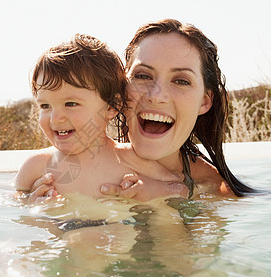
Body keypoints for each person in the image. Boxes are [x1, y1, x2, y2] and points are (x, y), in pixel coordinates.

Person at [14, 33, 186, 202]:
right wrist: (30, 203)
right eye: (45, 106)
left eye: (71, 104)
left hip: (116, 229)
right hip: (62, 228)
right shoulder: (36, 167)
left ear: (111, 106)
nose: (55, 118)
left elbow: (181, 189)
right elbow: (15, 206)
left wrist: (153, 190)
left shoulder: (131, 160)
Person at [100, 18, 256, 199]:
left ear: (204, 101)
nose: (156, 96)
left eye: (181, 81)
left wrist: (169, 196)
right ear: (122, 88)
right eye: (143, 76)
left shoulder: (215, 191)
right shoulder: (71, 167)